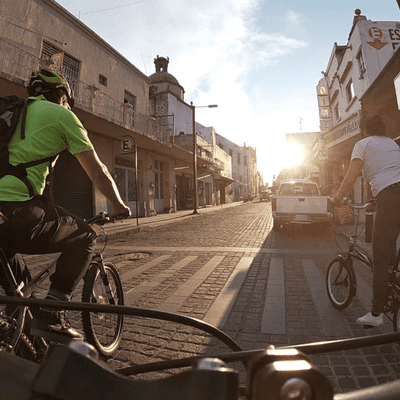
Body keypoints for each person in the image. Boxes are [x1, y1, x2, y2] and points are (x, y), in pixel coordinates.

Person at [0, 69, 131, 341]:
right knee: (86, 236)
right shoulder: (61, 115)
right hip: (18, 211)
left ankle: (26, 344)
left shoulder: (13, 115)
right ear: (61, 95)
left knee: (20, 293)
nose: (68, 106)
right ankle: (53, 312)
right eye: (67, 101)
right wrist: (118, 205)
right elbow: (97, 171)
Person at [333, 114, 400, 327]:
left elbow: (351, 176)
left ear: (363, 129)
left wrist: (337, 198)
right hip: (390, 197)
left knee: (380, 260)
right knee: (391, 256)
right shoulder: (392, 144)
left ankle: (376, 313)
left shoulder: (362, 144)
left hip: (390, 198)